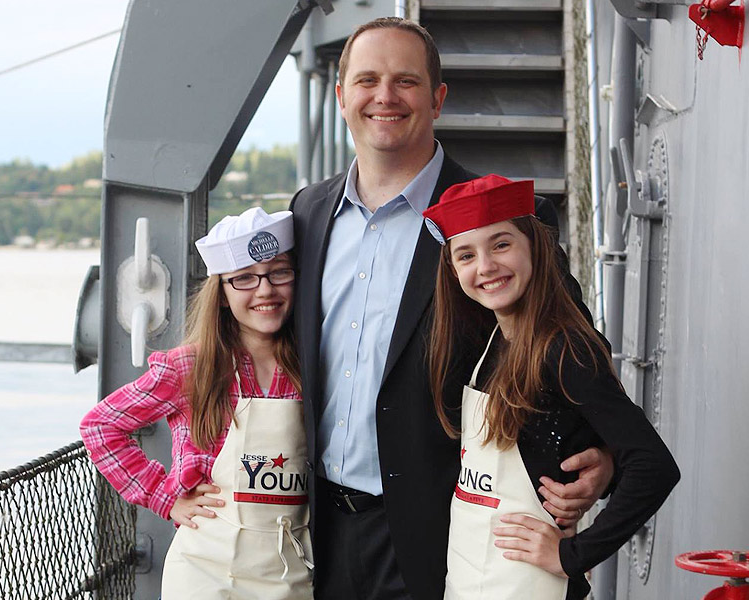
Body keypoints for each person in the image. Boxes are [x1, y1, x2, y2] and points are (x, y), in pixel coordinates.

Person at [290, 16, 616, 600]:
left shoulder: (508, 222)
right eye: (367, 80)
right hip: (318, 533)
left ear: (438, 98)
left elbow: (581, 348)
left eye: (406, 81)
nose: (384, 97)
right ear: (341, 98)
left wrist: (603, 457)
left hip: (448, 534)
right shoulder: (307, 213)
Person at [423, 174, 680, 599]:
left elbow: (654, 466)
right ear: (452, 269)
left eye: (501, 244)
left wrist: (573, 555)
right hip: (471, 581)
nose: (485, 266)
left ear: (534, 246)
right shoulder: (492, 341)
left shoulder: (563, 349)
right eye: (466, 254)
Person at [80, 208, 313, 599]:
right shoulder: (192, 366)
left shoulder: (312, 368)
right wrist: (164, 496)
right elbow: (101, 426)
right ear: (221, 295)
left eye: (279, 272)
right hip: (205, 572)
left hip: (286, 571)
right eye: (244, 279)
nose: (265, 290)